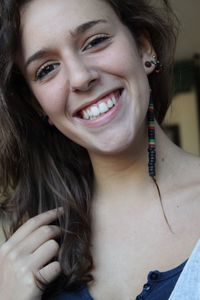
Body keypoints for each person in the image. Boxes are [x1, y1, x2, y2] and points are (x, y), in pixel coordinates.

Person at [0, 0, 200, 299]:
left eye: (95, 41)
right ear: (36, 104)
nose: (81, 77)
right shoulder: (27, 255)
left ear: (144, 47)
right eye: (47, 69)